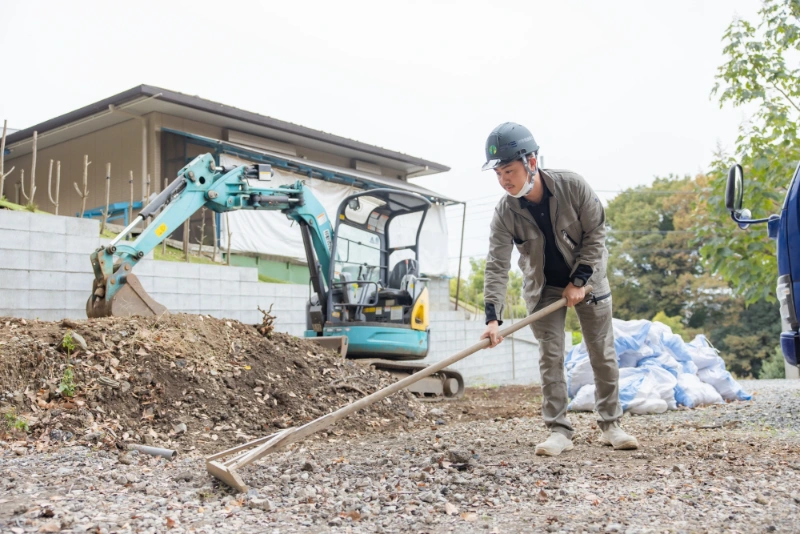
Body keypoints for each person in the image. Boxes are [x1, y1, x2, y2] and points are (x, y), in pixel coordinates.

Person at [479, 122, 638, 456]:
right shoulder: (505, 211)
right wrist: (492, 318)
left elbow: (596, 233)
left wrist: (579, 281)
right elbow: (496, 263)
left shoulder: (573, 187)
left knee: (602, 354)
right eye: (498, 174)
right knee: (550, 357)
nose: (505, 180)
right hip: (543, 289)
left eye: (509, 170)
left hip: (589, 281)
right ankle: (559, 430)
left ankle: (611, 424)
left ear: (531, 162)